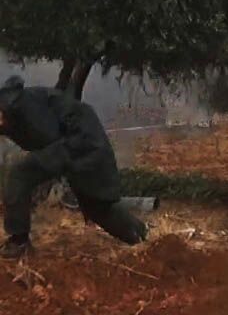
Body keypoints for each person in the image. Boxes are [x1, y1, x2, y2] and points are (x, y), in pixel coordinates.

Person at [0, 75, 147, 258]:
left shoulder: (23, 107)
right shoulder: (10, 108)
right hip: (77, 142)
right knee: (96, 207)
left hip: (82, 141)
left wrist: (48, 175)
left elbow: (51, 140)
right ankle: (141, 235)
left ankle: (19, 242)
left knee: (20, 174)